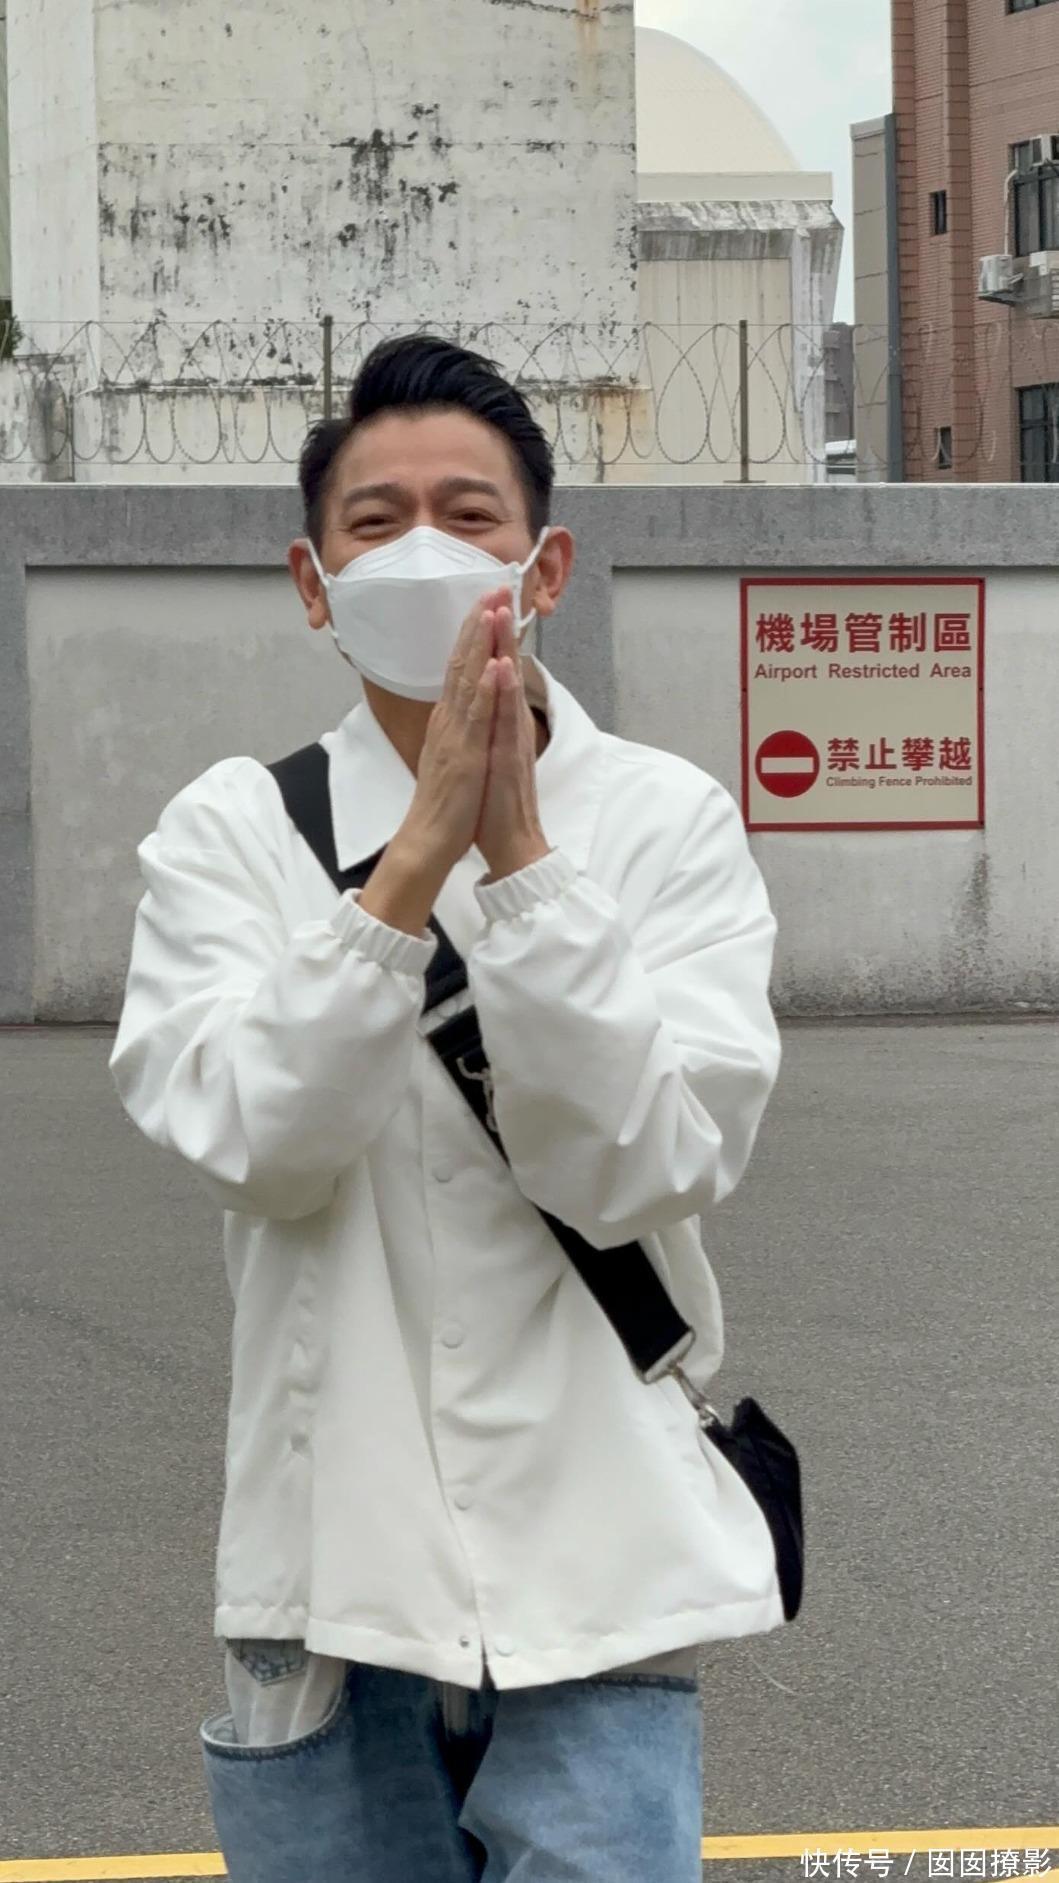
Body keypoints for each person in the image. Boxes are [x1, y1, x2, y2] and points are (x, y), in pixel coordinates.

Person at [109, 334, 784, 1883]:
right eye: (377, 520)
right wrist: (410, 870)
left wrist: (527, 869)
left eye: (470, 516)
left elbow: (655, 1160)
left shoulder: (665, 823)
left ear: (546, 566)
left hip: (601, 1574)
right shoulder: (230, 835)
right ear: (313, 581)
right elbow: (257, 1143)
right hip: (329, 1587)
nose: (424, 551)